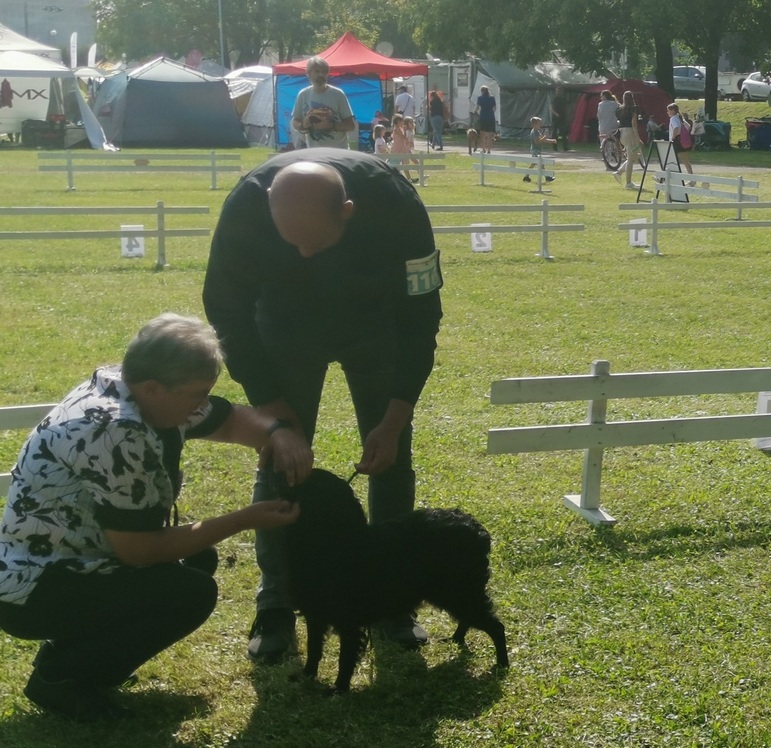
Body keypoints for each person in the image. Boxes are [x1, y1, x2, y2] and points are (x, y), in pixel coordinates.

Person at [0, 314, 311, 722]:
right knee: (188, 593)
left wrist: (277, 431)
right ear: (152, 388)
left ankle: (75, 656)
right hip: (33, 589)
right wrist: (245, 518)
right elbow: (140, 551)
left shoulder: (130, 386)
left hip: (56, 565)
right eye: (197, 395)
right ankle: (61, 678)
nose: (202, 404)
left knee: (195, 560)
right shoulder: (116, 431)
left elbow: (230, 419)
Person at [201, 149, 444, 664]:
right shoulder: (246, 206)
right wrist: (274, 413)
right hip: (284, 328)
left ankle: (392, 597)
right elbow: (226, 311)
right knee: (279, 462)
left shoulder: (398, 206)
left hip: (375, 326)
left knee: (391, 459)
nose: (304, 252)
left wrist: (394, 419)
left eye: (314, 239)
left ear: (347, 211)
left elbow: (421, 318)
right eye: (290, 241)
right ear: (269, 206)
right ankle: (276, 602)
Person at [291, 56, 355, 149]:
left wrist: (331, 126)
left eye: (324, 72)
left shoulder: (338, 94)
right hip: (314, 151)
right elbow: (295, 121)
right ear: (309, 73)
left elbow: (351, 125)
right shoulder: (303, 95)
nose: (321, 75)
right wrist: (303, 125)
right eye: (317, 71)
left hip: (338, 150)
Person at [615, 90, 643, 189]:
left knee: (633, 156)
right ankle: (628, 182)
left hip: (622, 133)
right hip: (630, 132)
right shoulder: (633, 109)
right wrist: (638, 137)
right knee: (632, 158)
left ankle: (619, 172)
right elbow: (634, 123)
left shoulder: (619, 109)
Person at [523, 116, 557, 184]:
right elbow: (537, 142)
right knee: (541, 164)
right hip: (535, 150)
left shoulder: (537, 131)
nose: (540, 125)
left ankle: (526, 177)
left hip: (536, 150)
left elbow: (542, 140)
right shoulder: (535, 132)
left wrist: (551, 141)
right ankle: (547, 177)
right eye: (539, 124)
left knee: (533, 164)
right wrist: (545, 136)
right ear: (534, 124)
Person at [668, 103, 695, 177]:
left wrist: (673, 137)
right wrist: (683, 134)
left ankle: (663, 177)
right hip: (680, 141)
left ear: (673, 110)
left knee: (668, 160)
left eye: (668, 110)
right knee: (685, 161)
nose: (667, 112)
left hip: (675, 141)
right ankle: (692, 179)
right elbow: (688, 127)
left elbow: (676, 128)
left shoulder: (673, 118)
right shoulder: (679, 118)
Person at [596, 90, 621, 171]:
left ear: (604, 96)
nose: (601, 97)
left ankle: (607, 163)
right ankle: (615, 153)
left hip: (602, 126)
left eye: (601, 96)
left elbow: (598, 115)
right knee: (612, 142)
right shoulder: (615, 104)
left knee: (603, 145)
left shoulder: (600, 104)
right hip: (613, 125)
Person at [392, 116, 418, 183]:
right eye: (402, 121)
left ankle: (409, 179)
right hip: (398, 149)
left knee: (405, 164)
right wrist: (406, 132)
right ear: (398, 122)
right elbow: (403, 138)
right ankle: (400, 178)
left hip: (403, 148)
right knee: (396, 164)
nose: (403, 123)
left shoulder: (400, 129)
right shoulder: (397, 129)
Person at [474, 85, 497, 154]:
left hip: (483, 116)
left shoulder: (480, 98)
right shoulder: (492, 98)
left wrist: (476, 112)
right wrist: (490, 112)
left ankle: (483, 148)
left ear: (482, 91)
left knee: (483, 134)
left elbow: (477, 108)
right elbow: (495, 108)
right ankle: (489, 150)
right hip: (491, 117)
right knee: (490, 134)